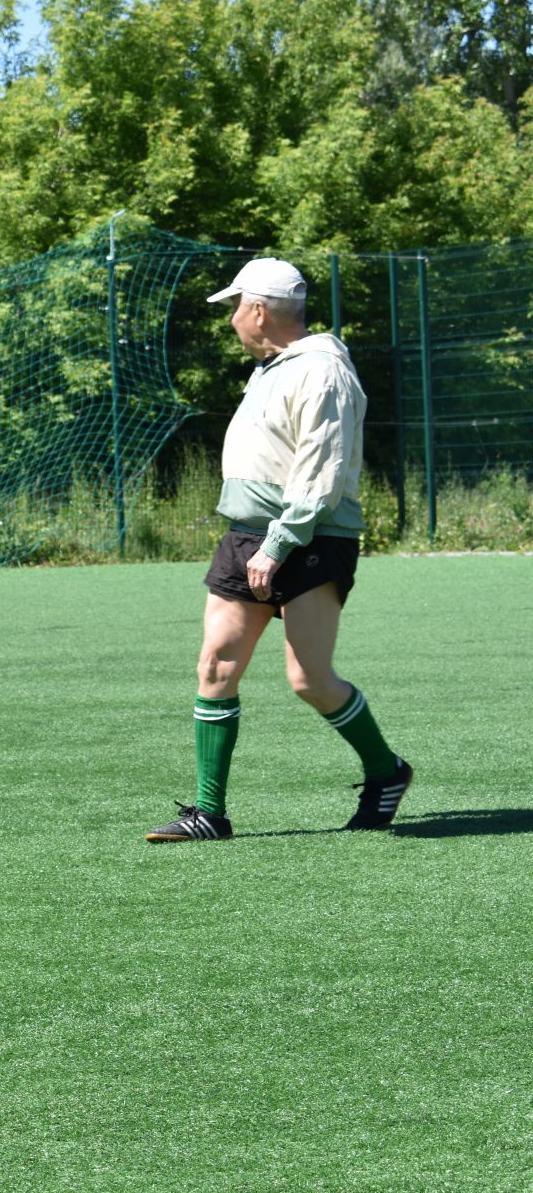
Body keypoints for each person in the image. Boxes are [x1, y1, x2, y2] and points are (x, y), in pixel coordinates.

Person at [147, 257, 412, 842]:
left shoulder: (322, 372)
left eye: (236, 307)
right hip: (246, 536)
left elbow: (321, 471)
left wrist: (279, 542)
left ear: (259, 310)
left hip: (308, 537)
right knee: (216, 665)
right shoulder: (272, 368)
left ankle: (386, 772)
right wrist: (258, 541)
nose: (234, 319)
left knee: (310, 680)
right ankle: (208, 813)